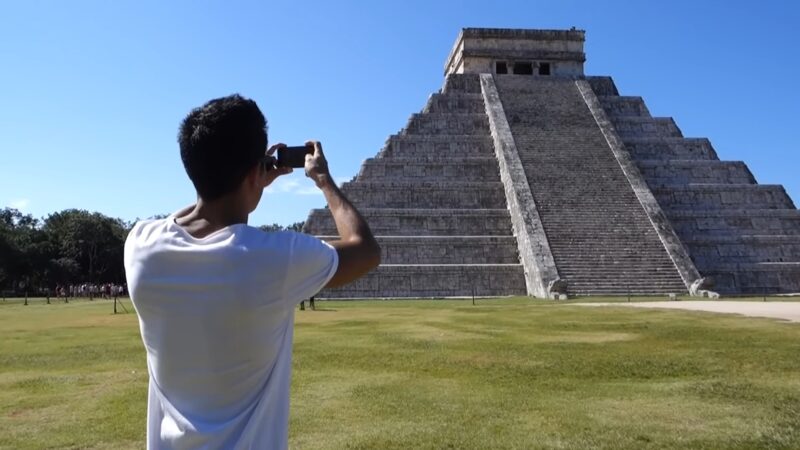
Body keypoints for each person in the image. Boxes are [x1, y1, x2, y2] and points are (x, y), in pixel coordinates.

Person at [124, 94, 380, 449]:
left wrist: (245, 182)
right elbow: (364, 248)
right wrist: (323, 180)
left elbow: (200, 213)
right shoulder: (274, 260)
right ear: (253, 171)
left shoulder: (140, 244)